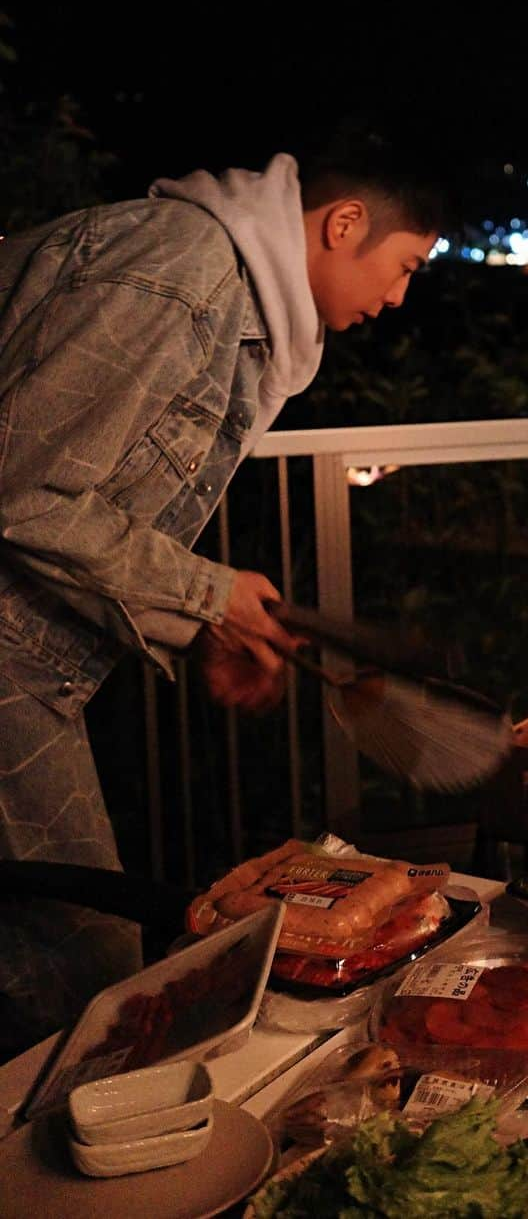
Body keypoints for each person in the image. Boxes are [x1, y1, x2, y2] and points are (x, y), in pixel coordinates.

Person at [0, 124, 454, 1050]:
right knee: (85, 968)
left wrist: (202, 618)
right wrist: (208, 592)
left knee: (51, 960)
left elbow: (75, 503)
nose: (400, 297)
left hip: (29, 667)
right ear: (344, 224)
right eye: (404, 266)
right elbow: (16, 482)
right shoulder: (182, 273)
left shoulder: (232, 309)